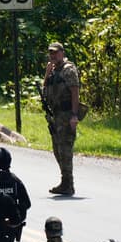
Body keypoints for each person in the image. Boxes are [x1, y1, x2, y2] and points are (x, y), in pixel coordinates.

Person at [41, 42, 81, 196]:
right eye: (51, 53)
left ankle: (68, 184)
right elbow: (45, 89)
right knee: (57, 150)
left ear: (62, 53)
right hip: (55, 115)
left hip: (66, 114)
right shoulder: (53, 70)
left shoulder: (68, 69)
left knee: (65, 149)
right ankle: (64, 182)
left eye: (56, 53)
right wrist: (47, 73)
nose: (53, 55)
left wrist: (74, 115)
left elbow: (75, 92)